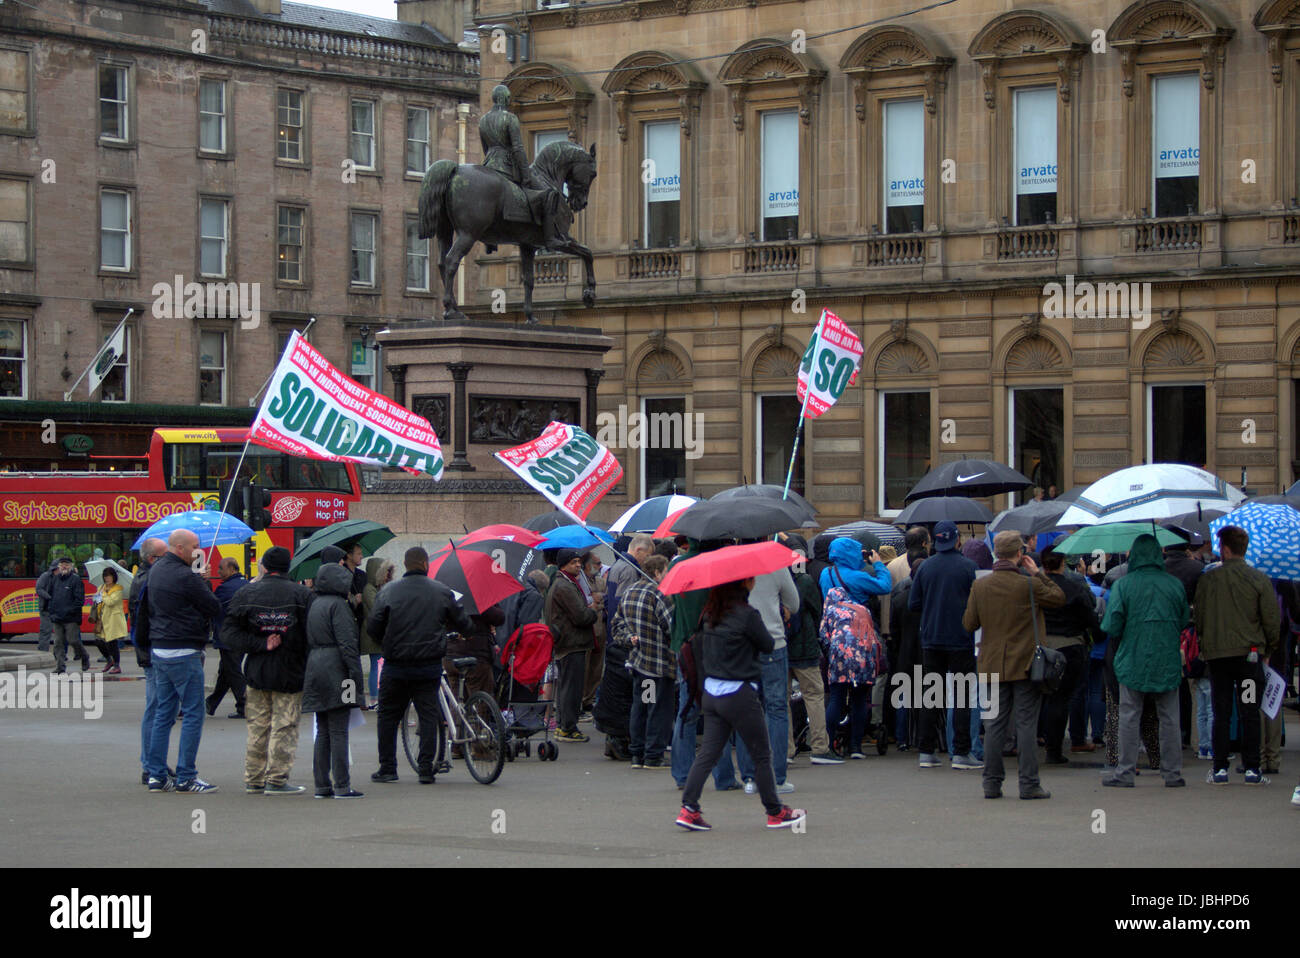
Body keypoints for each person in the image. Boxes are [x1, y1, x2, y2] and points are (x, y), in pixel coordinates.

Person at [675, 578, 806, 832]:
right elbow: (768, 645)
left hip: (712, 692)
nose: (754, 580)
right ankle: (775, 811)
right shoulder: (747, 615)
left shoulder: (710, 613)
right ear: (743, 584)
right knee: (761, 754)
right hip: (739, 692)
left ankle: (689, 808)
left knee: (708, 753)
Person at [962, 530, 1065, 800]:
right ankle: (1029, 784)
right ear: (1020, 555)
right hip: (1026, 664)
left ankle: (991, 784)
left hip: (992, 663)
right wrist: (1037, 573)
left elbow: (969, 624)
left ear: (996, 553)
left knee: (994, 726)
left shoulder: (980, 586)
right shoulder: (1028, 584)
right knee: (1026, 725)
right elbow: (1058, 597)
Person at [367, 546, 471, 784]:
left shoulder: (388, 592)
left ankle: (388, 768)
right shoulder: (442, 591)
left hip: (396, 665)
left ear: (405, 564)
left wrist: (388, 643)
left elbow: (373, 627)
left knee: (388, 716)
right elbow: (463, 622)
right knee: (428, 715)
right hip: (429, 665)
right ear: (425, 564)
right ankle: (425, 768)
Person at [1099, 534, 1190, 788]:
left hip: (1132, 658)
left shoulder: (1123, 585)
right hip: (1167, 657)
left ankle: (1125, 771)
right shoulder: (1174, 584)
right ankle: (1172, 772)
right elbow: (1184, 620)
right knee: (1170, 717)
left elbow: (1112, 626)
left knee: (1129, 715)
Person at [222, 545, 314, 795]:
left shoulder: (246, 593)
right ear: (289, 567)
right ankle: (277, 779)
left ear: (264, 567)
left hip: (257, 670)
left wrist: (260, 644)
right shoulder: (302, 596)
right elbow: (312, 635)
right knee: (285, 726)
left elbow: (228, 634)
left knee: (257, 726)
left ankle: (254, 778)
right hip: (291, 670)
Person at [1194, 525, 1280, 785]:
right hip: (1249, 656)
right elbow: (1271, 618)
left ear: (1225, 549)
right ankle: (1252, 768)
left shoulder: (1209, 579)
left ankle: (1220, 769)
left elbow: (1200, 616)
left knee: (1221, 711)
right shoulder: (1258, 579)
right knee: (1249, 710)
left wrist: (1204, 644)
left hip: (1218, 656)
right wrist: (1269, 648)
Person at [145, 529, 222, 793]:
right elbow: (212, 607)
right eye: (195, 546)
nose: (198, 550)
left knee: (163, 714)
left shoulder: (156, 570)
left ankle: (155, 775)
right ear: (180, 548)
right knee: (193, 713)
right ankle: (186, 776)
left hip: (160, 648)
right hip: (184, 648)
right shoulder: (186, 576)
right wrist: (202, 581)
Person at [908, 521, 981, 770]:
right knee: (962, 696)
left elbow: (913, 604)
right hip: (961, 639)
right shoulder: (970, 567)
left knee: (932, 695)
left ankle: (926, 751)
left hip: (931, 638)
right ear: (957, 540)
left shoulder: (925, 567)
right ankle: (961, 752)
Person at [302, 562, 366, 798]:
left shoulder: (315, 603)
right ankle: (342, 784)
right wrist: (356, 682)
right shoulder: (340, 606)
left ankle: (322, 785)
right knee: (340, 728)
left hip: (316, 666)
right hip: (338, 668)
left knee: (323, 729)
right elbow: (348, 645)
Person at [736, 558, 799, 792]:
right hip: (773, 644)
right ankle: (776, 777)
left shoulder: (732, 565)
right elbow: (794, 602)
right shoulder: (775, 565)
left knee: (745, 710)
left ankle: (750, 777)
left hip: (741, 646)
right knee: (777, 709)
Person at [1038, 545, 1101, 765]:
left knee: (1041, 697)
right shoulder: (1074, 587)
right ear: (1063, 563)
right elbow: (1089, 618)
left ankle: (1043, 741)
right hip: (1070, 647)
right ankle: (1054, 749)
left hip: (1041, 647)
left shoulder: (1034, 587)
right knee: (1062, 698)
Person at [781, 534, 838, 765]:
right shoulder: (805, 581)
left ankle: (785, 750)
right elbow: (817, 611)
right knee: (814, 696)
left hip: (781, 647)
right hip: (805, 647)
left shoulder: (779, 577)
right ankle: (820, 748)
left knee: (781, 700)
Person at [618, 554, 674, 768]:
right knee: (657, 709)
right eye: (666, 571)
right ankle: (653, 754)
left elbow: (618, 624)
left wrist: (629, 639)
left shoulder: (629, 591)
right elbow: (671, 626)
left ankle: (637, 753)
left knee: (642, 706)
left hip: (639, 662)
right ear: (657, 572)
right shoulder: (660, 594)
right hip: (658, 663)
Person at [544, 548, 600, 743]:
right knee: (571, 688)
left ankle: (563, 725)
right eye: (573, 562)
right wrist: (593, 610)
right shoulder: (564, 586)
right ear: (564, 564)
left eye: (578, 561)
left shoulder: (566, 583)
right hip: (571, 643)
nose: (578, 565)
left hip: (569, 642)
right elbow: (581, 616)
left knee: (568, 687)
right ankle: (567, 727)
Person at [130, 538, 167, 786]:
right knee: (155, 707)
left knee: (157, 707)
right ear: (152, 558)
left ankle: (154, 763)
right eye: (165, 557)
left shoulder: (148, 577)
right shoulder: (148, 580)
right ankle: (151, 766)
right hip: (153, 651)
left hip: (151, 649)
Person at [206, 557, 247, 719]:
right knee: (226, 672)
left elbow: (211, 606)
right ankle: (211, 703)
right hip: (243, 637)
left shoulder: (225, 589)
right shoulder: (246, 585)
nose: (218, 572)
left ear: (231, 569)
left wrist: (206, 584)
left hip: (227, 637)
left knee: (234, 672)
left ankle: (244, 706)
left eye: (221, 569)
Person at [360, 557, 395, 706]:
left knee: (379, 665)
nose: (388, 575)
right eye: (385, 571)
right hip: (373, 635)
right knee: (376, 665)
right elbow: (378, 609)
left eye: (389, 572)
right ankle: (375, 699)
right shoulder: (369, 589)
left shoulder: (379, 588)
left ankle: (378, 698)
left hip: (379, 633)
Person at [46, 557, 87, 674]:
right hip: (57, 617)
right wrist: (51, 611)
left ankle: (84, 656)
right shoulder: (54, 579)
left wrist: (70, 611)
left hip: (71, 617)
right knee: (58, 642)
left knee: (73, 640)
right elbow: (50, 596)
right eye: (62, 564)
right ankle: (60, 666)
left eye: (66, 564)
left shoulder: (76, 580)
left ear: (71, 566)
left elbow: (79, 600)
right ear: (58, 566)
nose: (64, 566)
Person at [581, 550, 608, 718]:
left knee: (596, 668)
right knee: (584, 667)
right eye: (597, 563)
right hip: (587, 629)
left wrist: (599, 599)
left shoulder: (599, 581)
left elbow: (604, 598)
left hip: (601, 629)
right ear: (587, 565)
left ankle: (589, 700)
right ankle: (581, 699)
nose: (600, 566)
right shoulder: (580, 581)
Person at [93, 568, 127, 674]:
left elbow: (111, 602)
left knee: (112, 642)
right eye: (105, 576)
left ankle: (117, 665)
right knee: (98, 641)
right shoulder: (101, 587)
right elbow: (96, 599)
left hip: (113, 619)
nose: (107, 578)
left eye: (109, 576)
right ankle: (109, 660)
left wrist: (103, 595)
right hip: (102, 618)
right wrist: (98, 596)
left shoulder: (118, 589)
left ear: (113, 577)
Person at [34, 560, 58, 653]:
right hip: (46, 607)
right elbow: (39, 589)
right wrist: (50, 597)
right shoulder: (45, 576)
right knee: (46, 629)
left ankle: (59, 653)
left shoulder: (61, 577)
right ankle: (43, 651)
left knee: (60, 632)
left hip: (57, 607)